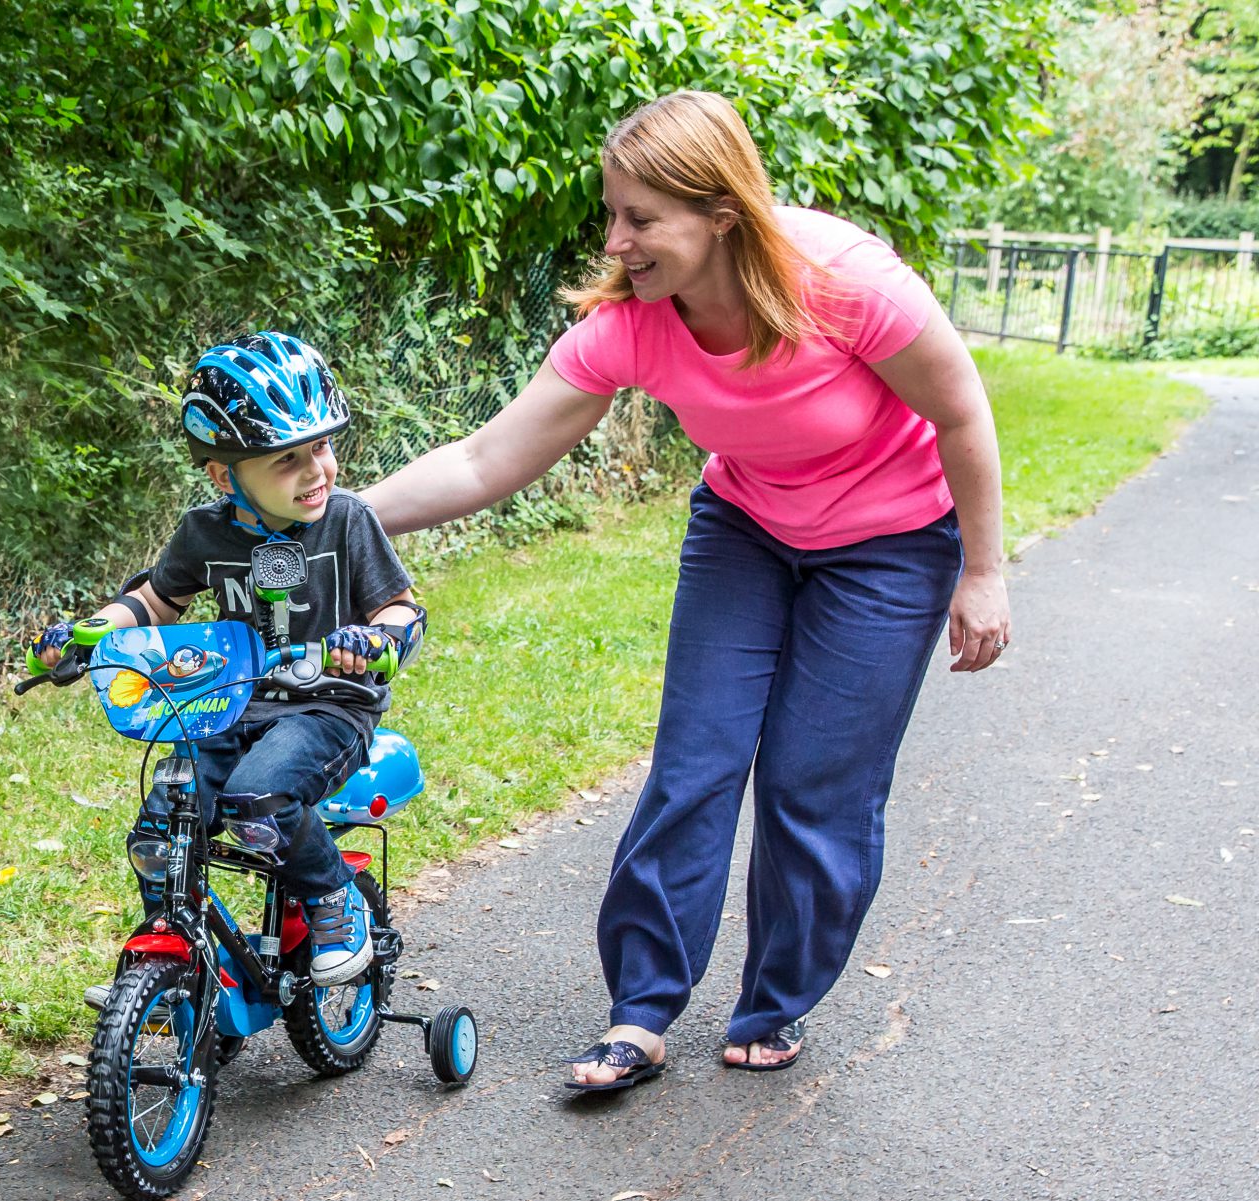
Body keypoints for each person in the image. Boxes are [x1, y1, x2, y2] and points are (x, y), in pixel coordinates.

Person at [359, 91, 1011, 1089]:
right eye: (611, 215)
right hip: (747, 526)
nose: (615, 242)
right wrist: (337, 520)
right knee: (694, 763)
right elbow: (487, 458)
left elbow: (960, 412)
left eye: (640, 219)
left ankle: (774, 1002)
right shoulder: (633, 324)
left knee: (812, 784)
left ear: (721, 215)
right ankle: (640, 1011)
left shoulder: (843, 284)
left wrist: (983, 570)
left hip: (891, 541)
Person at [30, 332, 427, 987]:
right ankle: (174, 955)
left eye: (321, 447)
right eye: (287, 459)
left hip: (327, 707)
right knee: (162, 823)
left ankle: (335, 900)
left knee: (257, 797)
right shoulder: (204, 532)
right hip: (231, 704)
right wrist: (88, 634)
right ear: (225, 475)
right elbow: (156, 600)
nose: (316, 471)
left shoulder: (347, 520)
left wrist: (375, 643)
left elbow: (400, 610)